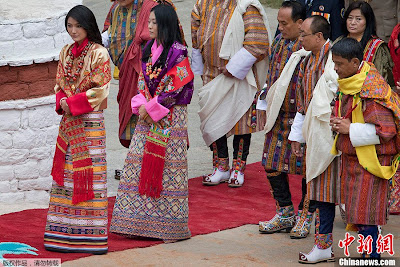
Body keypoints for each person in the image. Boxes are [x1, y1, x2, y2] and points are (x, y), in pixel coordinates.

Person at [110, 4, 194, 243]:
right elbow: (140, 80)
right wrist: (141, 105)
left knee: (168, 172)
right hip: (147, 116)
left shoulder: (179, 52)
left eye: (155, 22)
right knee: (136, 166)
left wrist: (152, 107)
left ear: (166, 24)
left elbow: (179, 87)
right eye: (149, 21)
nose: (149, 25)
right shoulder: (149, 48)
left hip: (170, 118)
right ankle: (136, 223)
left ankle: (169, 227)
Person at [44, 5, 111, 254]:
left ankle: (91, 236)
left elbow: (102, 89)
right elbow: (59, 82)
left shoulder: (100, 53)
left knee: (90, 174)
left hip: (89, 120)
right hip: (69, 120)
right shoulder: (65, 52)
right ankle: (61, 233)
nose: (73, 31)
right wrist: (62, 100)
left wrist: (71, 103)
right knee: (67, 174)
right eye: (69, 26)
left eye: (78, 26)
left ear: (88, 26)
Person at [330, 37, 400, 259]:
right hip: (354, 159)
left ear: (354, 62)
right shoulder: (353, 81)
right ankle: (368, 256)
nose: (335, 68)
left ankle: (372, 258)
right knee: (359, 215)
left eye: (339, 64)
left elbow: (387, 131)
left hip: (371, 162)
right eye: (334, 63)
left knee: (366, 216)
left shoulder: (371, 89)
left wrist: (349, 128)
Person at [192, 0, 270, 188]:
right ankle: (221, 167)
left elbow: (259, 42)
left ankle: (238, 169)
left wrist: (234, 67)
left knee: (241, 124)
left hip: (239, 76)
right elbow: (195, 36)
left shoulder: (246, 5)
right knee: (213, 120)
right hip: (212, 75)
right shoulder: (202, 4)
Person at [258, 0, 316, 239]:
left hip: (301, 118)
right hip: (278, 116)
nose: (280, 28)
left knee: (307, 171)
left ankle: (305, 215)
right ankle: (284, 213)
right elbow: (271, 74)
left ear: (300, 23)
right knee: (270, 163)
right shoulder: (280, 42)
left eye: (284, 23)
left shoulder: (312, 49)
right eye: (278, 23)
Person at [287, 16, 341, 263]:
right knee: (319, 190)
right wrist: (297, 135)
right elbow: (302, 102)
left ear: (318, 37)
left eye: (304, 35)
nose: (300, 39)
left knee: (331, 191)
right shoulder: (306, 60)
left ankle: (365, 244)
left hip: (334, 135)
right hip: (314, 134)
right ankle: (323, 245)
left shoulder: (335, 60)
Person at [336, 1, 394, 87]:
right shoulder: (338, 41)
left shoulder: (376, 47)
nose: (353, 23)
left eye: (358, 19)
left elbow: (380, 78)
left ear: (367, 21)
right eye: (350, 18)